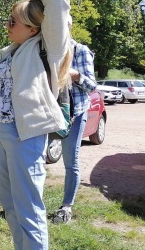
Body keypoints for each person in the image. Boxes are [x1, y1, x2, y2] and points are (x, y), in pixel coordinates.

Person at [0, 0, 72, 249]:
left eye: (13, 21)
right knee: (10, 205)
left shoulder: (47, 48)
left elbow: (58, 1)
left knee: (30, 210)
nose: (7, 25)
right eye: (8, 19)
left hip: (26, 136)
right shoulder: (9, 52)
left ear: (34, 29)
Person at [52, 17, 97, 224]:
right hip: (50, 113)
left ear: (69, 26)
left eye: (62, 25)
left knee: (70, 161)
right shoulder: (50, 51)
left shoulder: (81, 51)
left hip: (75, 114)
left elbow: (92, 86)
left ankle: (66, 206)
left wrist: (75, 75)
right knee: (36, 157)